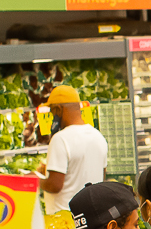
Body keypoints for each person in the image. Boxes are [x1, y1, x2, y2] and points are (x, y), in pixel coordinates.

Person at [41, 84, 109, 215]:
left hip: (65, 219)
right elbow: (101, 176)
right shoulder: (98, 136)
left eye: (52, 112)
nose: (52, 117)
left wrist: (34, 180)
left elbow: (54, 185)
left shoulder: (60, 139)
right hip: (91, 216)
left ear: (58, 110)